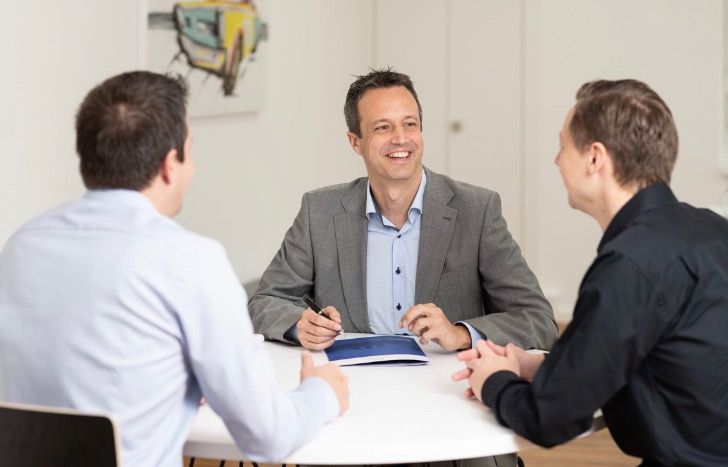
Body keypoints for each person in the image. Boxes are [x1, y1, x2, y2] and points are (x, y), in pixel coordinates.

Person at [0, 71, 349, 467]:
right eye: (189, 151)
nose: (192, 168)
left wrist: (173, 381)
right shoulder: (189, 262)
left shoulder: (22, 247)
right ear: (170, 165)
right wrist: (321, 393)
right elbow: (268, 436)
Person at [249, 68, 558, 467]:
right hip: (353, 419)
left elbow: (537, 318)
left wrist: (460, 333)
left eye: (409, 124)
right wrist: (298, 324)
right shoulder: (319, 211)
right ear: (355, 141)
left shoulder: (476, 210)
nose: (400, 138)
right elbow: (266, 300)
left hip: (453, 420)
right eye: (383, 127)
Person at [453, 79, 728, 466]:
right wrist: (544, 367)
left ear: (595, 158)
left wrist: (493, 380)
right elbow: (670, 356)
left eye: (563, 146)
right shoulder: (714, 230)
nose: (556, 160)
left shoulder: (630, 264)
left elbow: (549, 418)